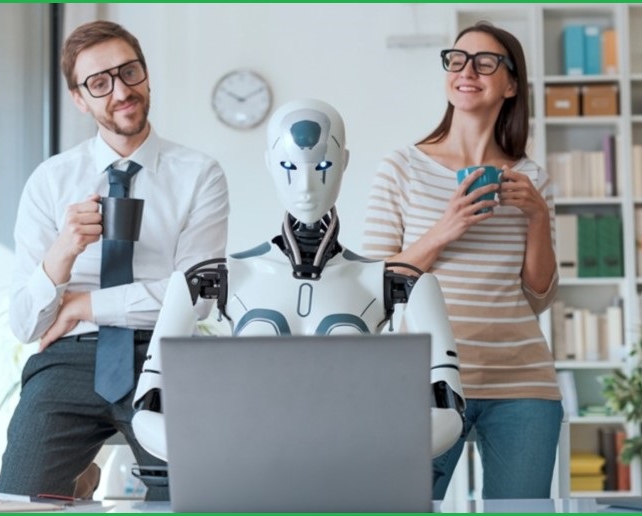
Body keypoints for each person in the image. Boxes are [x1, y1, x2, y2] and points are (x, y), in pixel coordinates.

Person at [130, 99, 466, 467]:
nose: (306, 186)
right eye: (289, 166)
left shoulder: (394, 283)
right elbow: (148, 408)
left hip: (350, 472)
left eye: (323, 166)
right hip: (247, 470)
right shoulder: (214, 278)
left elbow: (448, 413)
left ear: (344, 162)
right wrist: (212, 443)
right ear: (269, 164)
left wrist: (377, 443)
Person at [0, 20, 229, 501]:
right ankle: (79, 477)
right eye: (100, 83)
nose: (121, 91)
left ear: (146, 75)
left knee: (197, 500)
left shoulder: (198, 174)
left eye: (129, 73)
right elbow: (25, 322)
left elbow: (197, 297)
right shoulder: (50, 180)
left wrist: (84, 305)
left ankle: (87, 476)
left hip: (163, 355)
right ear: (80, 98)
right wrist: (64, 250)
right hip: (67, 360)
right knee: (18, 502)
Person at [362, 21, 562, 500]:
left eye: (485, 61)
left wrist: (536, 215)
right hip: (426, 381)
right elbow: (374, 285)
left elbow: (539, 297)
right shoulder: (403, 166)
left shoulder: (531, 179)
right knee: (404, 508)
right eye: (457, 59)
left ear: (511, 84)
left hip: (523, 384)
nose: (467, 70)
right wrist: (446, 227)